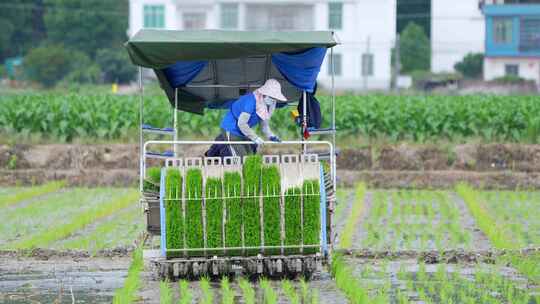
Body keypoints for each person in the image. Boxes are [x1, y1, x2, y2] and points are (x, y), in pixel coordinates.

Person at [205, 78, 287, 157]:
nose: (273, 100)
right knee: (240, 157)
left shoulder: (267, 106)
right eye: (271, 97)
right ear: (264, 94)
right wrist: (255, 138)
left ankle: (218, 144)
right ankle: (219, 148)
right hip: (231, 128)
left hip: (243, 131)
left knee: (251, 151)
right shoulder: (251, 102)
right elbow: (242, 124)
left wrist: (271, 136)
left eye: (275, 98)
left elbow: (264, 125)